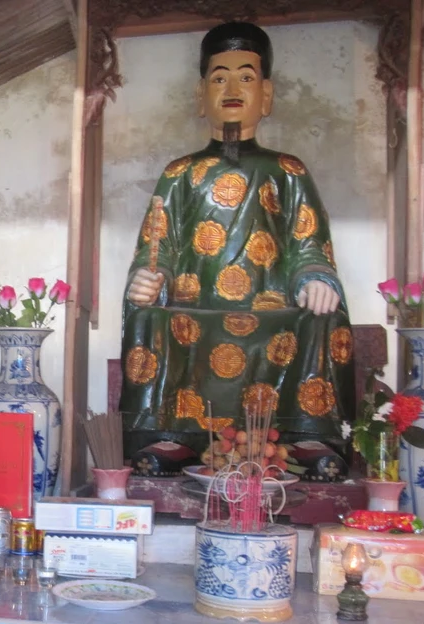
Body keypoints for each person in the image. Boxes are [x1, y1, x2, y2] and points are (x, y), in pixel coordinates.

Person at [120, 21, 354, 465]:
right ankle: (169, 436)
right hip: (193, 311)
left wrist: (315, 278)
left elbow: (309, 242)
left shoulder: (287, 170)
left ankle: (307, 435)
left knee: (325, 318)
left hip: (274, 312)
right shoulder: (180, 173)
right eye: (218, 78)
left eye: (246, 77)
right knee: (147, 317)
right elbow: (158, 244)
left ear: (266, 94)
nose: (231, 89)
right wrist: (151, 278)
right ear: (200, 95)